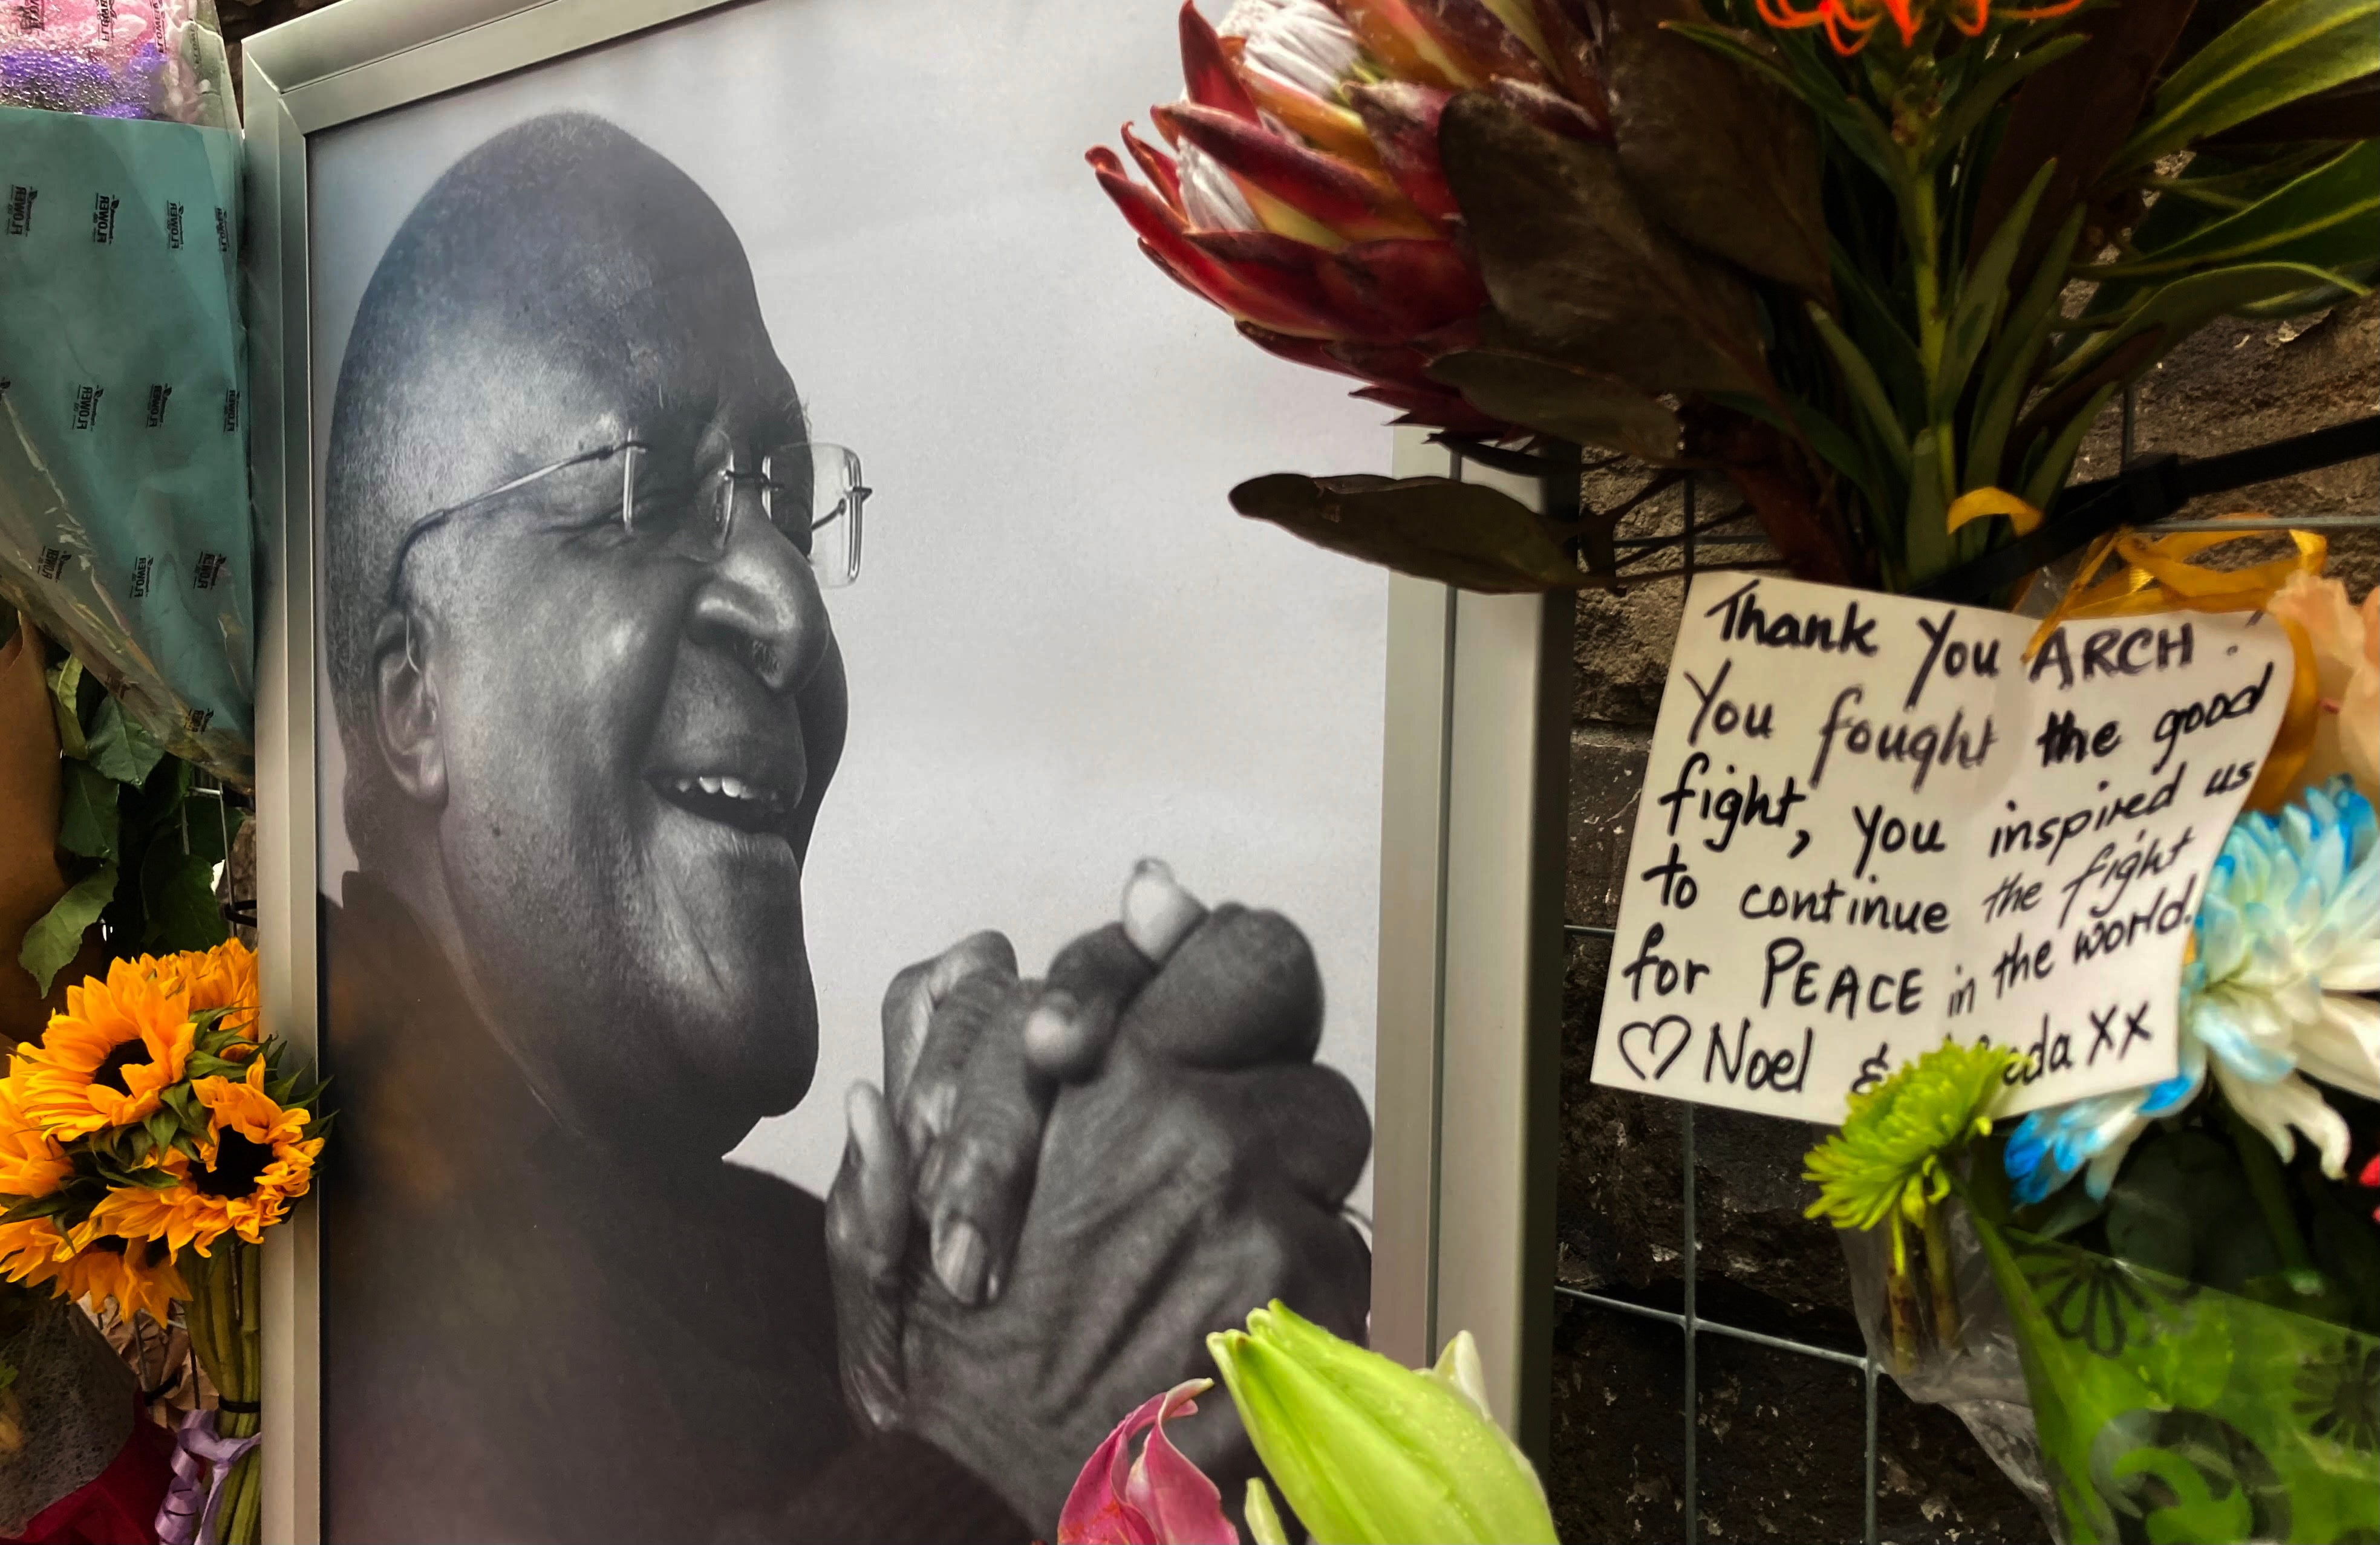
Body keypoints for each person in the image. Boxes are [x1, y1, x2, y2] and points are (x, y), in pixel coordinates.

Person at [318, 111, 1371, 1544]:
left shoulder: (758, 1272)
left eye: (791, 506)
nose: (792, 609)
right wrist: (993, 1446)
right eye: (642, 498)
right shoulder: (280, 1236)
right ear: (414, 696)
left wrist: (930, 1368)